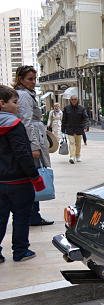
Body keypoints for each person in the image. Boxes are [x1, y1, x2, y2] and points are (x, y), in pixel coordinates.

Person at [0, 85, 46, 262]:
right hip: (19, 180)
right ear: (2, 103)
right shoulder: (15, 125)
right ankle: (20, 251)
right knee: (21, 216)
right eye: (14, 102)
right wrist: (35, 177)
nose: (18, 106)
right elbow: (22, 154)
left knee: (1, 217)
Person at [14, 65, 54, 226]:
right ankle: (32, 214)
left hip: (36, 137)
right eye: (30, 79)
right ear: (21, 80)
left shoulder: (26, 94)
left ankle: (33, 213)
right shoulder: (23, 95)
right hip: (33, 140)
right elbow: (27, 122)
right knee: (34, 176)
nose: (33, 82)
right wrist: (34, 146)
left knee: (33, 177)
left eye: (34, 79)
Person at [61, 95, 89, 164]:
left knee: (78, 144)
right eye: (72, 99)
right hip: (70, 128)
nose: (74, 100)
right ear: (70, 100)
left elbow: (86, 118)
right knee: (72, 143)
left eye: (75, 99)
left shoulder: (81, 108)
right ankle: (72, 157)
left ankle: (78, 156)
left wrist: (86, 126)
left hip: (79, 128)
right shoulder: (66, 108)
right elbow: (64, 119)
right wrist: (63, 129)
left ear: (77, 100)